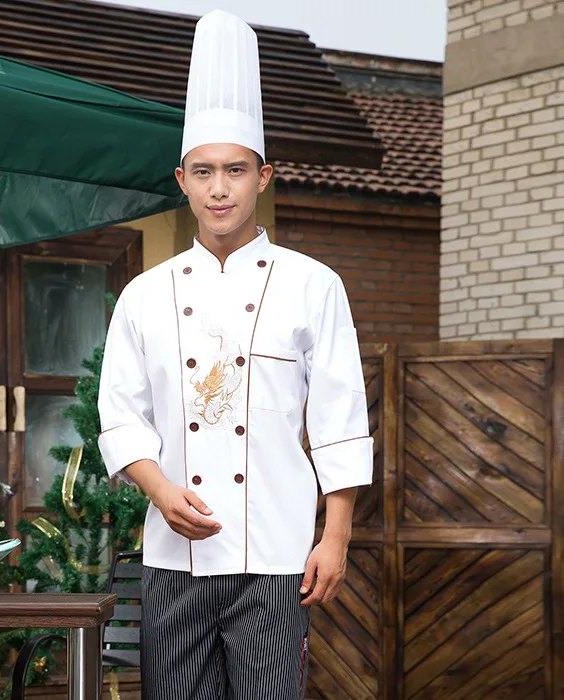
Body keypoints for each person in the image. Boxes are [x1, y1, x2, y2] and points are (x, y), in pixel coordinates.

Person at [97, 9, 374, 699]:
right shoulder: (144, 294)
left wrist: (334, 538)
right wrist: (160, 492)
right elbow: (121, 416)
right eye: (204, 171)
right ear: (182, 179)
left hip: (278, 560)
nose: (219, 188)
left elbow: (340, 418)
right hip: (172, 559)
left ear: (264, 177)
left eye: (236, 170)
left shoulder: (315, 285)